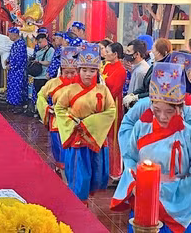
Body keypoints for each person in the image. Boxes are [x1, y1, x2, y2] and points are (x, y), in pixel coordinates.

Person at [111, 61, 191, 233]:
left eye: (169, 112)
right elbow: (130, 157)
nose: (162, 117)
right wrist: (135, 181)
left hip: (177, 206)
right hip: (145, 199)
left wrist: (168, 190)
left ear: (180, 108)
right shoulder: (142, 127)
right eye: (156, 110)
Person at [54, 43, 116, 202]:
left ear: (97, 71)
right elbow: (59, 109)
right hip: (77, 137)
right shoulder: (71, 89)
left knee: (95, 175)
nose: (88, 74)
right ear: (79, 70)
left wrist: (88, 124)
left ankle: (86, 200)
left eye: (92, 70)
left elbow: (111, 111)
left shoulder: (103, 90)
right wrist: (72, 124)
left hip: (95, 137)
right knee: (79, 175)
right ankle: (78, 204)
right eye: (84, 70)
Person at [36, 47, 80, 172]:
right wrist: (46, 108)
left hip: (75, 121)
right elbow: (41, 95)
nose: (70, 76)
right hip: (57, 121)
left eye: (73, 72)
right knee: (59, 148)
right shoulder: (53, 83)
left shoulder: (81, 84)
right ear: (61, 70)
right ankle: (62, 170)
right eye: (67, 72)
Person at [103, 42, 127, 180]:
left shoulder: (120, 70)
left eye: (107, 51)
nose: (105, 54)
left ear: (115, 54)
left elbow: (114, 90)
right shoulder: (106, 66)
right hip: (103, 103)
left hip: (113, 104)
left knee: (113, 137)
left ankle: (115, 170)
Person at [124, 38, 172, 108]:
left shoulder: (164, 71)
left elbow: (156, 91)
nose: (151, 52)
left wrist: (137, 97)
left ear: (158, 53)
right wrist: (132, 94)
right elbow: (143, 86)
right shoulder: (153, 66)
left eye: (153, 50)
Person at [5, 27, 29, 113]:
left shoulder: (21, 44)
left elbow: (20, 59)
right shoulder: (15, 44)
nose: (9, 36)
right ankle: (13, 105)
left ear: (15, 35)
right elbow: (12, 55)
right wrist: (7, 60)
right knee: (12, 88)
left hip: (18, 71)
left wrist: (11, 66)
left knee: (18, 88)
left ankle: (19, 106)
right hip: (13, 71)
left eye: (10, 34)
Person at [31, 33, 55, 102]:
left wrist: (39, 62)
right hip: (37, 76)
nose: (39, 44)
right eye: (38, 42)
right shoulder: (39, 50)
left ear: (45, 41)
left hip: (44, 76)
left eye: (40, 42)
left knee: (43, 96)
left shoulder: (51, 50)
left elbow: (48, 62)